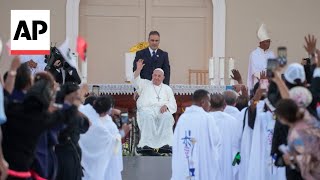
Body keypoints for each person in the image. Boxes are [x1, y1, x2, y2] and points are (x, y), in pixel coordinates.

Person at [171, 89, 221, 180]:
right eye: (208, 102)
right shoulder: (207, 118)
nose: (210, 105)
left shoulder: (183, 118)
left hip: (185, 159)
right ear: (202, 102)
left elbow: (176, 141)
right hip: (202, 162)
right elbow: (216, 140)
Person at [79, 96, 131, 180]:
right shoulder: (102, 127)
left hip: (84, 159)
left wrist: (110, 111)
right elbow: (114, 143)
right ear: (106, 111)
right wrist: (123, 132)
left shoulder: (86, 112)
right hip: (103, 163)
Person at [133, 59, 177, 155]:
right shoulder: (145, 83)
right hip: (146, 109)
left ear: (163, 78)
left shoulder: (167, 88)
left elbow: (173, 103)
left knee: (167, 117)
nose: (156, 78)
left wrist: (167, 105)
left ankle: (165, 145)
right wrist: (138, 69)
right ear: (152, 75)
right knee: (148, 117)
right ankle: (146, 145)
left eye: (159, 76)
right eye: (155, 75)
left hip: (161, 110)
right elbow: (136, 81)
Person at [275, 98, 320, 180]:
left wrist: (292, 159)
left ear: (283, 118)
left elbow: (306, 158)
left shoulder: (295, 135)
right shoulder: (308, 117)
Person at [55, 82, 90, 180]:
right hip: (68, 155)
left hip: (58, 154)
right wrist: (76, 104)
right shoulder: (71, 114)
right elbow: (86, 124)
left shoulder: (56, 108)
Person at [209, 94, 241, 180]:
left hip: (208, 166)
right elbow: (238, 148)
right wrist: (235, 164)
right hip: (228, 166)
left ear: (210, 105)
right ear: (225, 105)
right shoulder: (234, 121)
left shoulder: (203, 121)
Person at [247, 24, 275, 92]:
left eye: (269, 41)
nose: (269, 43)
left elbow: (274, 70)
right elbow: (255, 72)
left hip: (270, 85)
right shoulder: (254, 54)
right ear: (261, 42)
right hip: (258, 85)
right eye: (267, 41)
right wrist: (264, 80)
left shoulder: (271, 54)